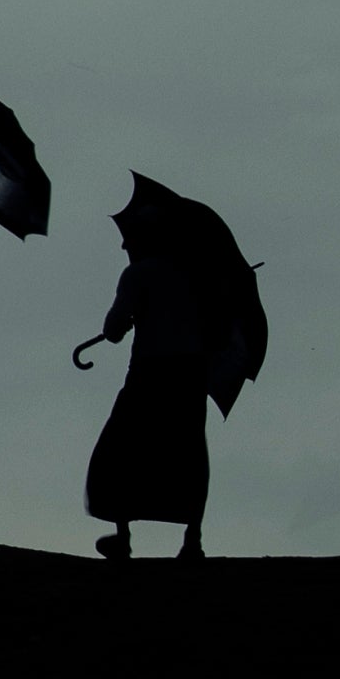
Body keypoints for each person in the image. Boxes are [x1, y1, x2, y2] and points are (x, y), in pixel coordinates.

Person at [86, 220, 211, 559]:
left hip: (150, 371)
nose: (125, 248)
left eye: (129, 242)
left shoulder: (137, 274)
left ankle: (122, 536)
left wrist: (121, 325)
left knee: (122, 447)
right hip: (191, 374)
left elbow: (113, 328)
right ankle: (192, 540)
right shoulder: (195, 276)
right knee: (189, 452)